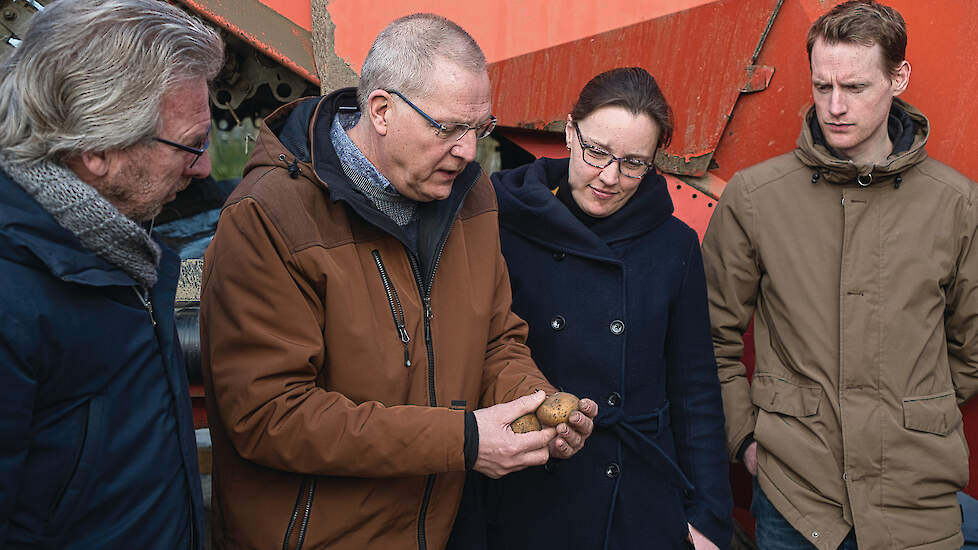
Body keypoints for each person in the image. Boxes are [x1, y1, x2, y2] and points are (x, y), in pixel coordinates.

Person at [199, 13, 597, 550]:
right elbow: (271, 414)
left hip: (436, 530)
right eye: (448, 128)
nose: (467, 151)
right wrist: (466, 441)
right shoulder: (269, 216)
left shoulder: (471, 199)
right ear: (382, 110)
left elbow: (496, 340)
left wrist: (533, 403)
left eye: (478, 129)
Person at [702, 1, 978, 548]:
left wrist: (912, 410)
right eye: (822, 85)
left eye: (854, 87)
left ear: (899, 77)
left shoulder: (955, 204)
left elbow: (971, 348)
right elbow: (709, 335)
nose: (835, 106)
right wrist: (748, 440)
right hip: (794, 496)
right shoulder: (756, 198)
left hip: (915, 498)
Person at [463, 67, 732, 550]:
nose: (610, 177)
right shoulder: (500, 218)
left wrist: (709, 517)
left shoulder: (675, 245)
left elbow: (694, 389)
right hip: (525, 489)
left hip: (636, 495)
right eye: (597, 152)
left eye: (633, 163)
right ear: (569, 132)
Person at [0, 0, 223, 547]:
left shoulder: (116, 249)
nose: (205, 168)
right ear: (98, 147)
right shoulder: (13, 293)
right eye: (190, 144)